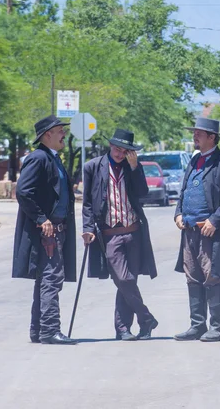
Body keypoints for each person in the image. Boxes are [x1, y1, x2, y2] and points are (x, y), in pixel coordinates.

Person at [82, 129, 159, 341]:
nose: (119, 153)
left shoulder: (132, 166)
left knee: (129, 281)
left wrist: (134, 168)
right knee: (123, 279)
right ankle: (146, 317)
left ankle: (123, 328)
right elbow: (87, 202)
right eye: (116, 148)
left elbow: (142, 193)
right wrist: (87, 227)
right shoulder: (93, 167)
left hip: (133, 231)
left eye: (124, 150)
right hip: (109, 234)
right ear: (110, 146)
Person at [173, 118, 220, 342]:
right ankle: (197, 325)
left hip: (210, 230)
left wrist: (215, 220)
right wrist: (178, 213)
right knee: (192, 276)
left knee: (211, 277)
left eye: (199, 133)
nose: (195, 136)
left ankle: (216, 327)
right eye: (194, 132)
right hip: (189, 230)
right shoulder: (194, 161)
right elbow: (183, 192)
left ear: (212, 137)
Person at [12, 115, 78, 345]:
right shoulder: (38, 158)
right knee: (51, 279)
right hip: (47, 232)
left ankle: (38, 330)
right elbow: (23, 191)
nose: (64, 134)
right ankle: (50, 330)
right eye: (60, 130)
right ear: (47, 134)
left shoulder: (53, 158)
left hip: (57, 230)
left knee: (45, 280)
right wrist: (42, 219)